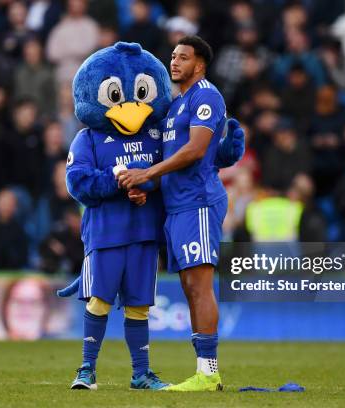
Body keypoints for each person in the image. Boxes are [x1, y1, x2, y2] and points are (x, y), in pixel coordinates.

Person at [118, 36, 227, 391]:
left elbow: (196, 150)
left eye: (183, 57)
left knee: (199, 285)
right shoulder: (176, 104)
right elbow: (169, 156)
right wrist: (145, 185)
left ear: (200, 64)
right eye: (173, 56)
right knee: (188, 286)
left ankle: (209, 372)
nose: (174, 62)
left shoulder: (206, 96)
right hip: (177, 206)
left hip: (198, 202)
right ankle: (204, 371)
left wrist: (148, 174)